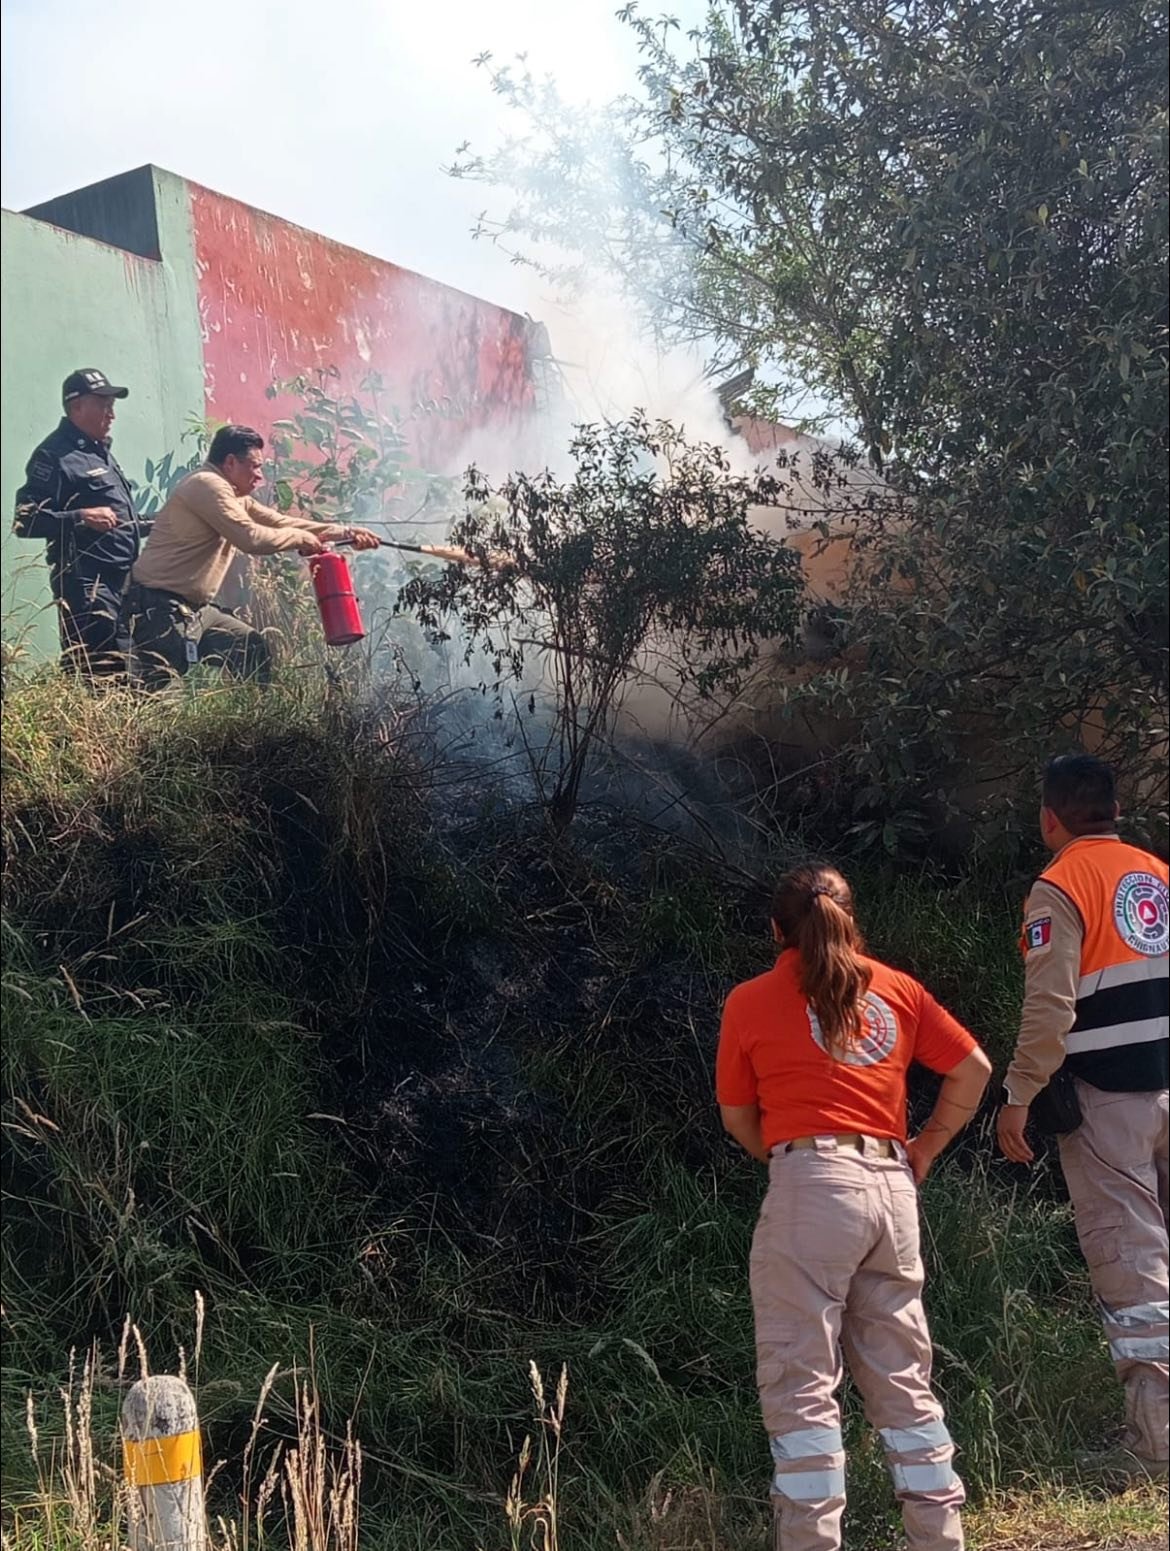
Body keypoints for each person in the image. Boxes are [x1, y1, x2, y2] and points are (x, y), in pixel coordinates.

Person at [716, 863, 991, 1551]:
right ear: (850, 915)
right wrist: (924, 1147)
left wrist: (790, 1160)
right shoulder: (896, 988)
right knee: (904, 1380)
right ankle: (939, 1536)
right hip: (892, 1188)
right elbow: (974, 1069)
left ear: (777, 929)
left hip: (811, 1183)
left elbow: (736, 1115)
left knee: (803, 1384)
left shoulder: (750, 1000)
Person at [997, 754, 1168, 1480]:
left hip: (1109, 1101)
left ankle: (1156, 1443)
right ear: (1115, 810)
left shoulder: (1059, 885)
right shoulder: (1157, 874)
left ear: (1050, 818)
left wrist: (1018, 1095)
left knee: (1134, 1267)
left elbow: (1050, 1009)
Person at [126, 424, 378, 689]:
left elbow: (281, 522)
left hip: (196, 610)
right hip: (160, 608)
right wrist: (301, 540)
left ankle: (256, 724)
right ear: (231, 462)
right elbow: (252, 538)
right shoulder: (207, 484)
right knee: (162, 695)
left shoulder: (234, 495)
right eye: (254, 467)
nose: (259, 476)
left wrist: (345, 532)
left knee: (249, 648)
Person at [13, 369, 141, 680]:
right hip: (87, 586)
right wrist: (81, 517)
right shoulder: (54, 455)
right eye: (103, 405)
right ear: (76, 407)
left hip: (122, 583)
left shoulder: (99, 454)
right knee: (103, 674)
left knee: (131, 674)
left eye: (112, 405)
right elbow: (24, 521)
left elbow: (120, 521)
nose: (111, 414)